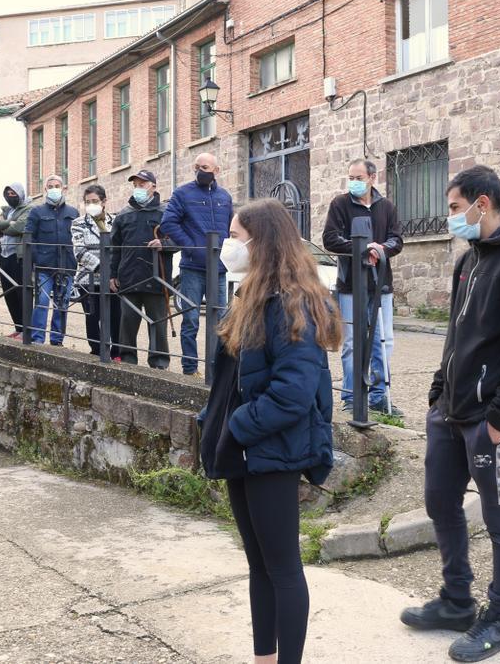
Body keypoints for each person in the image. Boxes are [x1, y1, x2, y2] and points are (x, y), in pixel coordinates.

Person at [401, 166, 500, 663]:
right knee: (440, 502)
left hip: (495, 421)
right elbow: (455, 333)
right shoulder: (469, 259)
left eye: (453, 207)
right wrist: (438, 391)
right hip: (450, 412)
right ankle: (457, 600)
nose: (450, 218)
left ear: (481, 203)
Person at [202, 198, 340, 664]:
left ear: (262, 243)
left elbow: (293, 394)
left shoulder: (293, 302)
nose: (229, 246)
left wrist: (238, 427)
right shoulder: (251, 295)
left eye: (236, 237)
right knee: (258, 566)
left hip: (271, 450)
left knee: (282, 568)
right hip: (245, 451)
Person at [322, 158, 405, 416]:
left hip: (380, 284)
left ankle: (379, 397)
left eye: (358, 177)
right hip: (350, 285)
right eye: (351, 178)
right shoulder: (340, 204)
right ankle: (350, 396)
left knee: (381, 340)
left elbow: (397, 240)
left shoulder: (387, 207)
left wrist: (380, 250)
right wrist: (361, 248)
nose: (354, 182)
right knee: (351, 342)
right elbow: (330, 239)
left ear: (372, 177)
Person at [159, 152, 232, 376]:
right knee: (191, 320)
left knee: (220, 321)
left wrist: (229, 252)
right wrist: (190, 247)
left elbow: (231, 227)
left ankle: (216, 368)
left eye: (206, 167)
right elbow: (168, 223)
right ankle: (190, 368)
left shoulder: (225, 197)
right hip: (192, 268)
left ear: (216, 171)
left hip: (218, 269)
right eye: (197, 166)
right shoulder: (183, 193)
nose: (201, 171)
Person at [110, 171, 173, 369]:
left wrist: (164, 244)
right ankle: (128, 361)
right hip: (129, 278)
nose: (139, 188)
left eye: (143, 184)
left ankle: (159, 363)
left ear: (154, 186)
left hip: (157, 278)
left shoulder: (167, 212)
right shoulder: (123, 214)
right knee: (127, 324)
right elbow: (114, 249)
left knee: (158, 324)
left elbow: (180, 240)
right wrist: (112, 274)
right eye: (136, 184)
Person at [25, 174, 78, 345]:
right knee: (41, 301)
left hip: (67, 265)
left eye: (57, 185)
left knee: (62, 304)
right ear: (46, 189)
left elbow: (78, 238)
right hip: (44, 266)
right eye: (51, 186)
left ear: (63, 188)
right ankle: (37, 338)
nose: (54, 188)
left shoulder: (73, 212)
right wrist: (36, 258)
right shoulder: (36, 212)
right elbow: (29, 237)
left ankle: (57, 340)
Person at [72, 184, 121, 359]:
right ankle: (97, 351)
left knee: (116, 316)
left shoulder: (116, 221)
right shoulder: (78, 223)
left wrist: (113, 271)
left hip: (113, 280)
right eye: (87, 202)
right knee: (93, 317)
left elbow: (119, 248)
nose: (91, 204)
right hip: (89, 279)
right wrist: (102, 267)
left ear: (104, 201)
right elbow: (80, 252)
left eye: (95, 201)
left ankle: (116, 352)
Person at [0, 182, 30, 339]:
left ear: (20, 193)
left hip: (18, 257)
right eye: (8, 194)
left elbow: (19, 227)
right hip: (4, 256)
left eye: (14, 193)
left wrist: (4, 225)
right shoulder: (7, 211)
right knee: (8, 293)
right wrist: (8, 223)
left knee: (21, 293)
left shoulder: (29, 209)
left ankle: (26, 330)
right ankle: (18, 327)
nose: (10, 197)